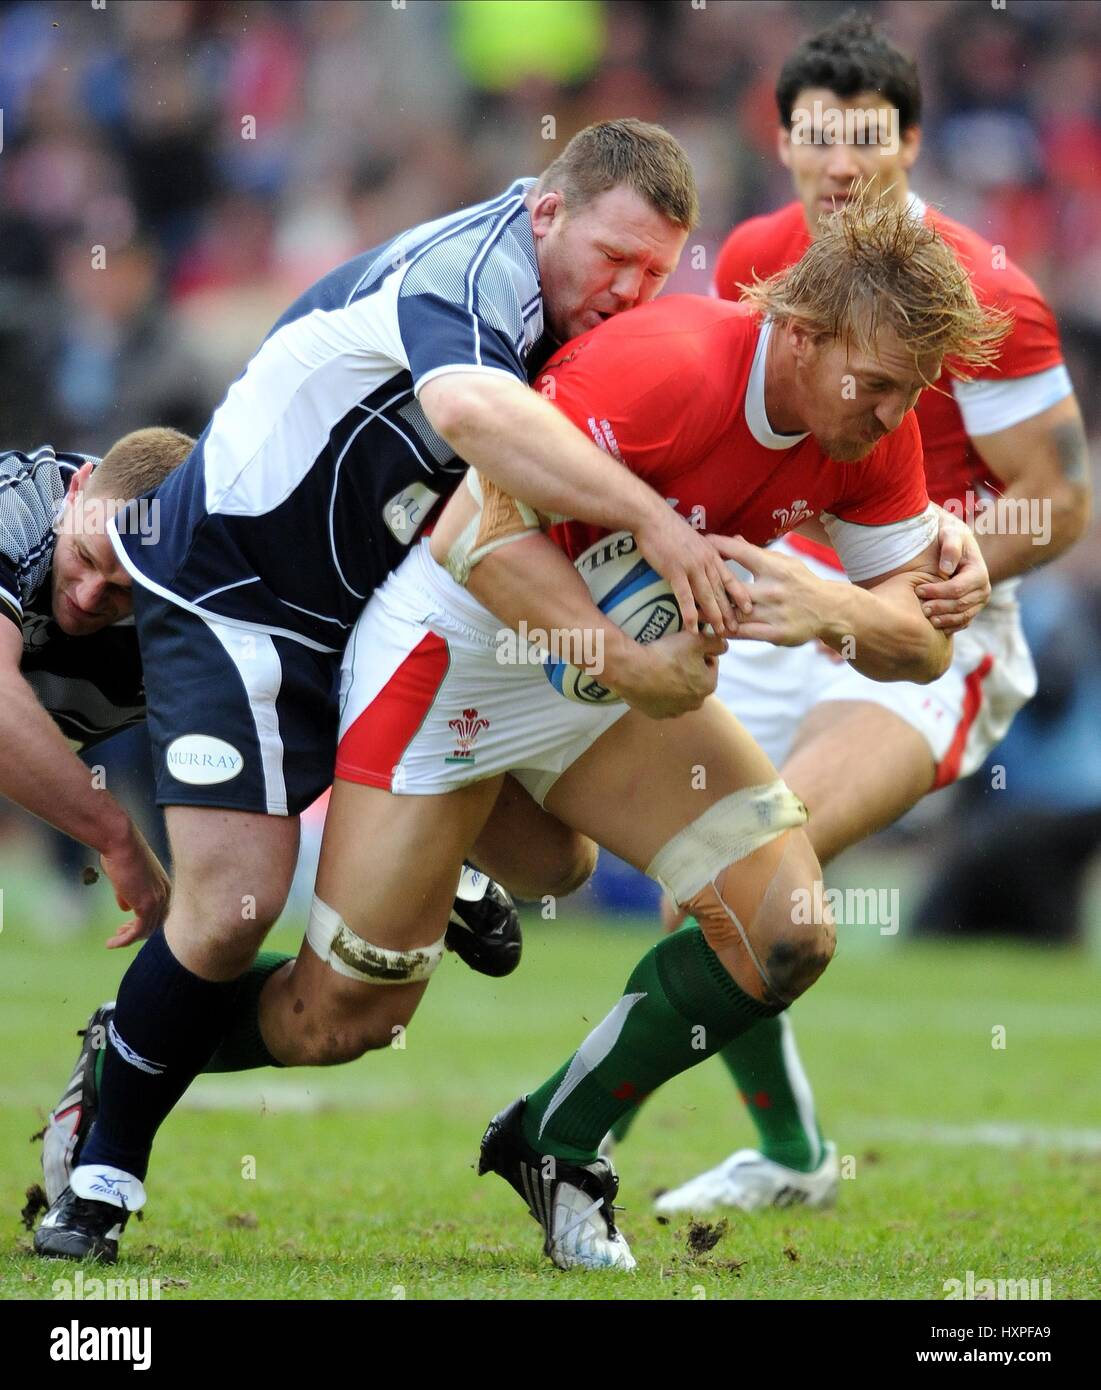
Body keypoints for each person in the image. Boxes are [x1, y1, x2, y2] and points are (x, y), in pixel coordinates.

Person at [174, 194, 1001, 1271]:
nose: (895, 416)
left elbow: (925, 644)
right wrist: (630, 666)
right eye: (882, 387)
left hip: (608, 682)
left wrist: (838, 610)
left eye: (912, 395)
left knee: (784, 928)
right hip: (458, 653)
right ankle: (134, 1053)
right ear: (799, 337)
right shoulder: (669, 368)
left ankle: (554, 1141)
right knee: (342, 1017)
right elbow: (480, 537)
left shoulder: (866, 433)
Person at [34, 119, 748, 1264]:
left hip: (377, 623)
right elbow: (468, 413)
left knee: (548, 871)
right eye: (615, 258)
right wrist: (654, 525)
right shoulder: (477, 267)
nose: (630, 290)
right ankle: (102, 1179)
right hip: (239, 594)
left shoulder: (585, 321)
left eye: (657, 274)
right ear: (549, 210)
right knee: (227, 910)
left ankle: (439, 860)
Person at [616, 12, 1091, 1218]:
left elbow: (1060, 499)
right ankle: (790, 1153)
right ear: (782, 143)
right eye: (815, 138)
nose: (839, 164)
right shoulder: (757, 262)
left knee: (749, 863)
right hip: (779, 609)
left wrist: (958, 568)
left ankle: (576, 1128)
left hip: (928, 629)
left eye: (864, 139)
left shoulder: (988, 294)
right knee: (702, 896)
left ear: (910, 143)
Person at [0, 431, 194, 941]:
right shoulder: (14, 508)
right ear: (77, 491)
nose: (87, 598)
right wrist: (116, 836)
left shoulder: (209, 602)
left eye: (120, 587)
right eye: (84, 557)